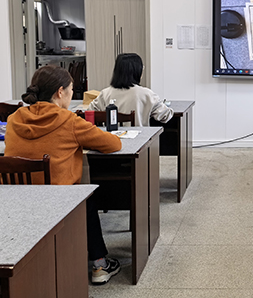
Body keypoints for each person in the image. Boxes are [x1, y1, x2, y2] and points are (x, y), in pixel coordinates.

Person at [4, 65, 123, 285]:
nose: (71, 94)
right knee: (87, 199)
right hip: (57, 202)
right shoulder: (69, 121)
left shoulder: (14, 119)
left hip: (15, 200)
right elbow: (113, 144)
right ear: (60, 92)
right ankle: (99, 265)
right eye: (71, 89)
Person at [89, 53, 174, 126]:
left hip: (111, 138)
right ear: (138, 72)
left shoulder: (105, 93)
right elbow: (166, 116)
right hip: (140, 138)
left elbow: (89, 113)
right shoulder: (147, 94)